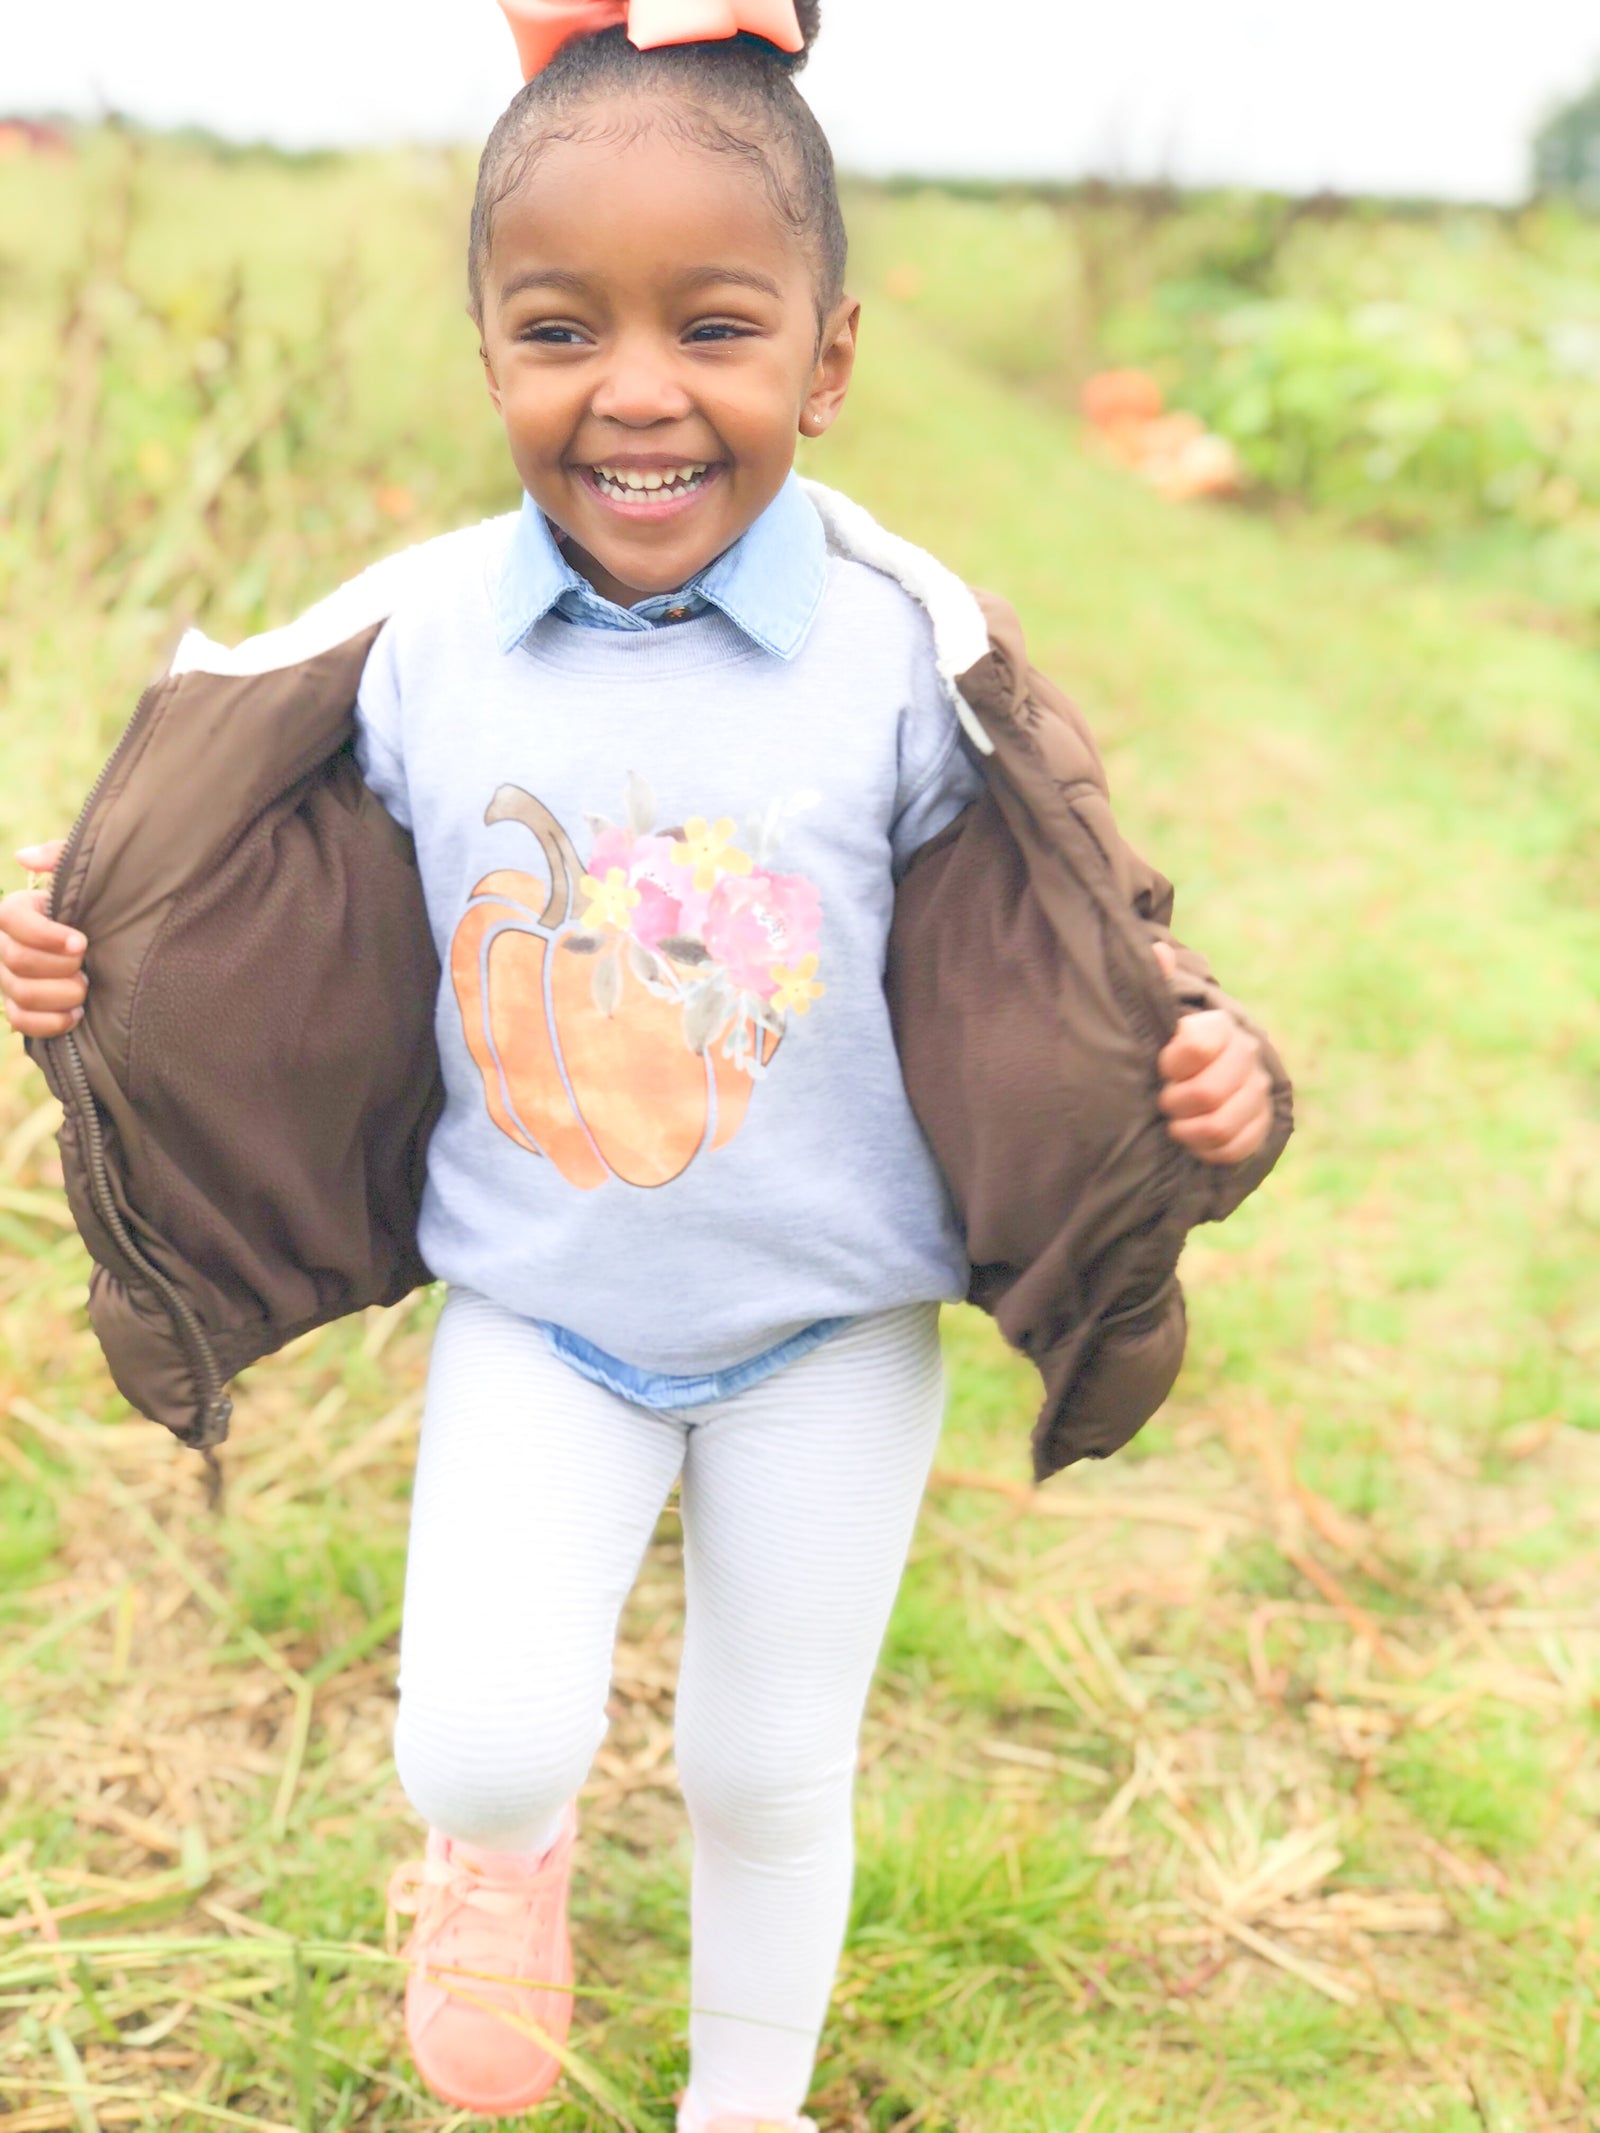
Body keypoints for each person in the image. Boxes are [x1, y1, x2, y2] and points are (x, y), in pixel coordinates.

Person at [0, 3, 1278, 2125]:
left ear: (827, 358)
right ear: (489, 349)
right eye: (557, 328)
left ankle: (741, 2101)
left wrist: (1206, 1064)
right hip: (545, 1304)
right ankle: (500, 1849)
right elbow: (240, 865)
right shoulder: (414, 635)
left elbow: (1059, 920)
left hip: (827, 1319)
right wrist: (91, 937)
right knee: (477, 1733)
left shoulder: (895, 640)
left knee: (766, 1760)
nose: (637, 391)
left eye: (712, 324)